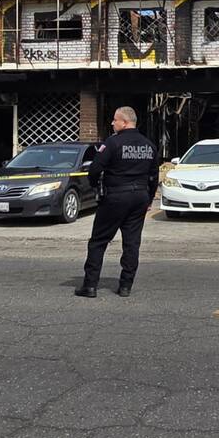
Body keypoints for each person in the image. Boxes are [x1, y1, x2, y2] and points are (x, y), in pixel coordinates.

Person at [75, 106, 159, 299]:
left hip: (115, 197)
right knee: (132, 243)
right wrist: (149, 198)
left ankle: (90, 286)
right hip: (139, 197)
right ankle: (125, 286)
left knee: (98, 241)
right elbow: (154, 176)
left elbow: (95, 170)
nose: (112, 123)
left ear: (125, 122)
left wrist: (96, 187)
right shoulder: (149, 145)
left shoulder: (113, 143)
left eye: (115, 120)